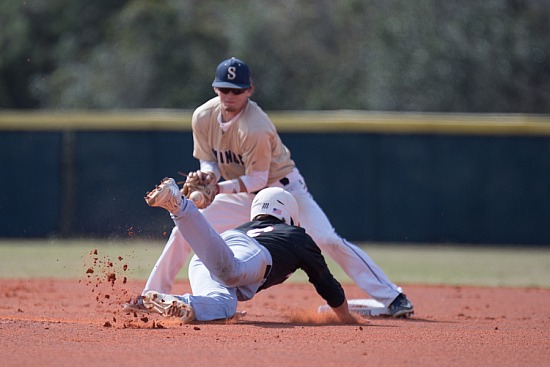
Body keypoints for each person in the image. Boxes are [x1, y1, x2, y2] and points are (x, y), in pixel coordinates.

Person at [142, 57, 413, 318]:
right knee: (183, 232)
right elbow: (208, 159)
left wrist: (218, 189)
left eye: (237, 90)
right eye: (224, 89)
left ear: (249, 90)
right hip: (241, 195)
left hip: (284, 193)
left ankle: (393, 297)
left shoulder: (255, 126)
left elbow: (258, 180)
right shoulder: (203, 116)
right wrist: (209, 177)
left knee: (328, 239)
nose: (229, 95)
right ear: (215, 88)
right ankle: (150, 296)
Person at [126, 178, 357, 324]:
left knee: (225, 307)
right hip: (249, 255)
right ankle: (179, 205)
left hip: (209, 257)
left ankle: (175, 301)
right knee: (230, 272)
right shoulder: (297, 236)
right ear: (288, 212)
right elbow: (325, 282)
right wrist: (345, 317)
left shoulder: (246, 226)